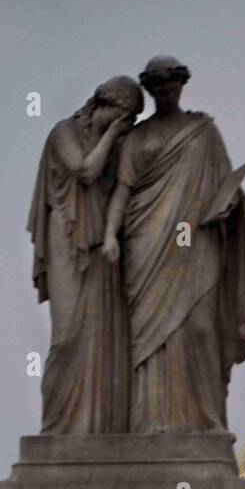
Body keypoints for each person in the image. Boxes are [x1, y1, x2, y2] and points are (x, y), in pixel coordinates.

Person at [102, 55, 245, 432]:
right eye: (158, 89)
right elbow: (123, 191)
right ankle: (150, 422)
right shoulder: (137, 137)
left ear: (182, 86)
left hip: (194, 239)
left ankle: (201, 421)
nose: (165, 93)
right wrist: (110, 235)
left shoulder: (203, 132)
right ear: (150, 90)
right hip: (148, 242)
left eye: (171, 87)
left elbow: (225, 184)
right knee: (149, 338)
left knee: (198, 327)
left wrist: (231, 203)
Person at [28, 76, 143, 433]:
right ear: (100, 106)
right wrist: (111, 136)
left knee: (103, 337)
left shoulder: (118, 146)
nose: (127, 127)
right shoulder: (64, 133)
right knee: (67, 336)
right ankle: (58, 426)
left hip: (99, 248)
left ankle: (99, 428)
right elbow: (84, 171)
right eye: (124, 117)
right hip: (66, 235)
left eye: (132, 121)